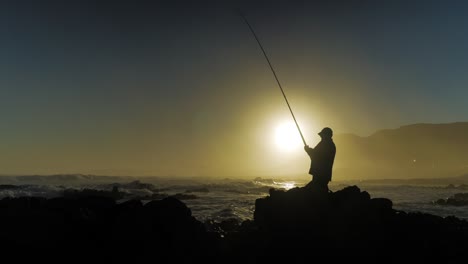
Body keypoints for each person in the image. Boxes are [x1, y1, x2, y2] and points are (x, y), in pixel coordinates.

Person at [304, 127, 336, 192]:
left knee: (311, 191)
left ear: (326, 135)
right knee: (321, 190)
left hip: (320, 174)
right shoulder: (330, 144)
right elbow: (316, 155)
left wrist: (308, 150)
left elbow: (316, 156)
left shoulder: (325, 144)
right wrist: (309, 150)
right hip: (323, 174)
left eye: (322, 135)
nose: (321, 137)